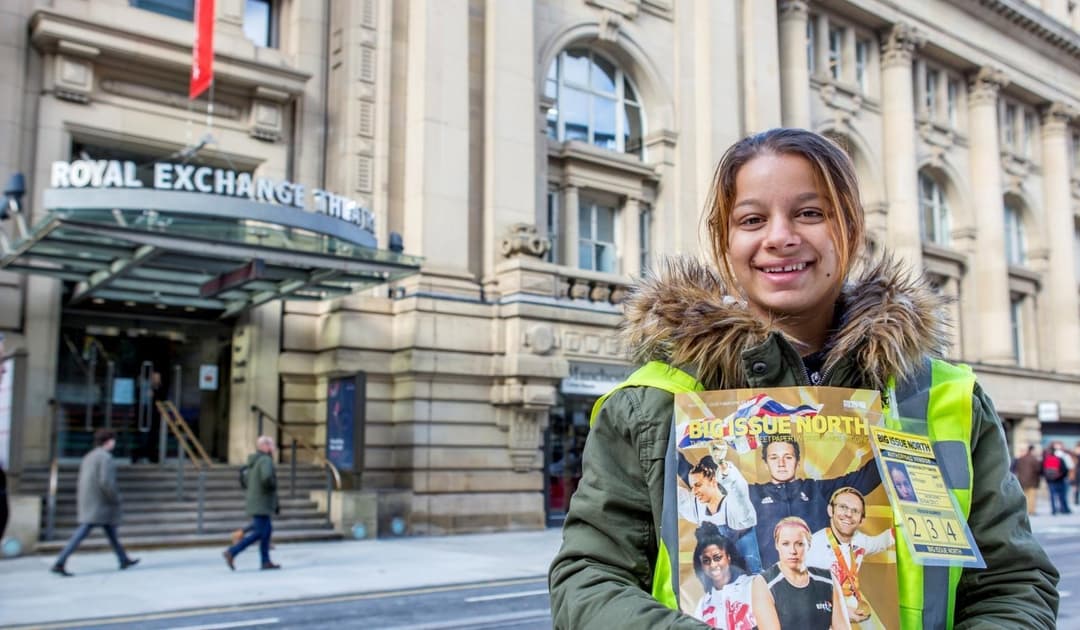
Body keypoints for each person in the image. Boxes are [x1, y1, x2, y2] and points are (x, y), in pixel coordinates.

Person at [548, 128, 1058, 628]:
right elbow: (589, 579)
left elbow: (1013, 584)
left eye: (810, 213)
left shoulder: (944, 397)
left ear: (851, 230)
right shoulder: (650, 403)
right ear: (725, 242)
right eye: (751, 219)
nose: (780, 237)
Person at [749, 436, 880, 567]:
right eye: (774, 458)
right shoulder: (751, 494)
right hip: (771, 580)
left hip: (820, 580)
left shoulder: (817, 490)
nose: (781, 463)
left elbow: (865, 479)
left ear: (798, 462)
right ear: (765, 464)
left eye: (788, 457)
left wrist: (889, 449)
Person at [50, 429, 139, 576]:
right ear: (109, 441)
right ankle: (60, 562)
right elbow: (106, 482)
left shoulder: (89, 456)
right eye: (113, 440)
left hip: (90, 500)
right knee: (83, 532)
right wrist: (115, 497)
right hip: (100, 503)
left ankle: (123, 559)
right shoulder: (105, 458)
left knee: (111, 532)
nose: (114, 443)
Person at [806, 488, 893, 628]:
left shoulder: (859, 541)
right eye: (843, 507)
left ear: (862, 520)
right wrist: (841, 612)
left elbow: (880, 543)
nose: (848, 514)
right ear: (830, 510)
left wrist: (904, 526)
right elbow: (804, 595)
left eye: (855, 511)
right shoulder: (812, 547)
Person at [754, 517, 849, 630]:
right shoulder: (764, 583)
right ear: (777, 545)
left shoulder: (828, 579)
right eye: (785, 544)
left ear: (808, 544)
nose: (793, 551)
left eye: (799, 544)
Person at [679, 446, 762, 572]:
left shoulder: (737, 509)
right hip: (720, 585)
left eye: (698, 485)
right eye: (693, 487)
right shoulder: (697, 507)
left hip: (750, 584)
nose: (694, 491)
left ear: (714, 480)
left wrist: (723, 465)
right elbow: (673, 493)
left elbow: (738, 489)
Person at [690, 522, 769, 630]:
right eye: (706, 560)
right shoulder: (703, 604)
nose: (713, 565)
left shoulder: (753, 585)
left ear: (728, 557)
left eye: (717, 558)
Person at [223, 435, 280, 570]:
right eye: (272, 445)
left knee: (266, 531)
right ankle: (232, 551)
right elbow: (267, 478)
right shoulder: (266, 460)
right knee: (260, 532)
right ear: (265, 447)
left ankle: (265, 561)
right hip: (263, 502)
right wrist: (272, 487)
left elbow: (246, 480)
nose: (274, 448)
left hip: (255, 500)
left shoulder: (253, 461)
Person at [1043, 441, 1073, 515]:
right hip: (1060, 480)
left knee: (1052, 496)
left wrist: (1047, 478)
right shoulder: (1060, 459)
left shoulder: (1046, 459)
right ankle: (1063, 509)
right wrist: (1061, 476)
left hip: (1050, 480)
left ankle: (1053, 510)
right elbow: (1065, 469)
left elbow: (1043, 470)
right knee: (1062, 495)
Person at [1014, 445, 1043, 516]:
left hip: (1022, 480)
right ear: (1032, 450)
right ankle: (1031, 511)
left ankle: (1025, 510)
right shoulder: (1034, 459)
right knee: (1032, 497)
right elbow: (1039, 469)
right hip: (1032, 481)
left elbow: (1016, 469)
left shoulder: (1021, 459)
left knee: (1025, 496)